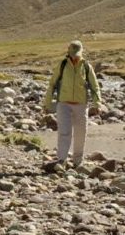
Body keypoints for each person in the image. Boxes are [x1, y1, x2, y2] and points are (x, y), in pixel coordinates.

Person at [43, 40, 102, 168]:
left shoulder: (86, 66)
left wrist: (97, 103)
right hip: (63, 104)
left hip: (81, 105)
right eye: (73, 53)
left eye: (77, 53)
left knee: (80, 133)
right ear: (69, 52)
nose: (75, 56)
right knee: (65, 132)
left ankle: (77, 161)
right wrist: (47, 103)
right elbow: (52, 84)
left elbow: (94, 86)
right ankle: (62, 160)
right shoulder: (63, 65)